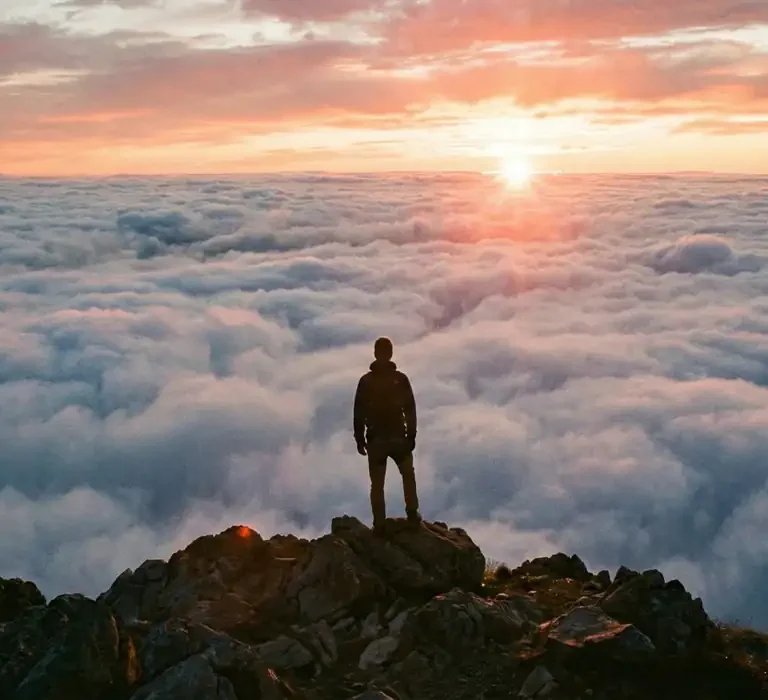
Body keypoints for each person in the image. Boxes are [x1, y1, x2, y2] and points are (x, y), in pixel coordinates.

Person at [353, 337, 421, 532]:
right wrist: (411, 434)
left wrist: (359, 438)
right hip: (398, 436)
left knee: (377, 484)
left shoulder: (366, 381)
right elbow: (410, 408)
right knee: (408, 475)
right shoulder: (400, 379)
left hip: (377, 439)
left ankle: (380, 523)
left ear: (375, 353)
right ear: (390, 353)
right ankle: (412, 513)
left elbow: (359, 411)